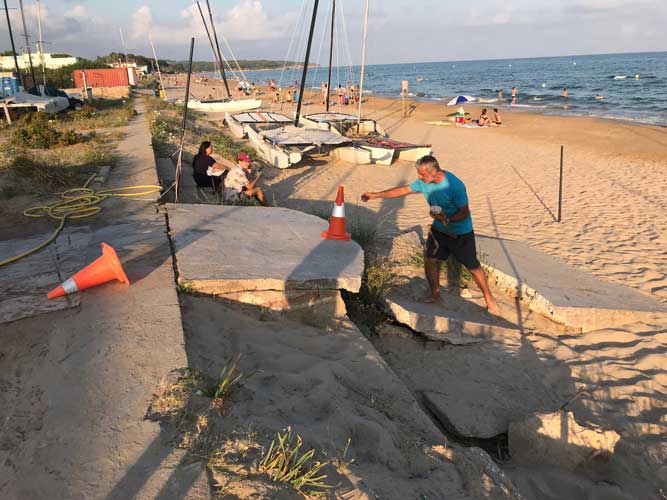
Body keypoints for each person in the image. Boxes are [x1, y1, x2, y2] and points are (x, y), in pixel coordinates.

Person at [361, 155, 499, 315]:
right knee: (430, 259)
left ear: (434, 172)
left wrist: (446, 219)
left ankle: (489, 299)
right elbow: (404, 189)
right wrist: (376, 195)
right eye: (418, 174)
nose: (419, 177)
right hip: (439, 230)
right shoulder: (423, 182)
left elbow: (464, 213)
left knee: (472, 266)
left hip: (460, 232)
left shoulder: (455, 186)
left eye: (422, 174)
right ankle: (435, 293)